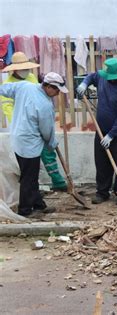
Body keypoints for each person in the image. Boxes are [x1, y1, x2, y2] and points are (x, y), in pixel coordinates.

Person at [0, 72, 68, 216]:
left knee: (30, 174)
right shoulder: (44, 105)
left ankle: (38, 204)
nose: (57, 94)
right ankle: (24, 210)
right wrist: (51, 143)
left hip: (17, 138)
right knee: (28, 178)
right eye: (56, 90)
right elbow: (46, 131)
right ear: (48, 87)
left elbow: (4, 89)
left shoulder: (25, 86)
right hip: (29, 144)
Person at [76, 58, 117, 204]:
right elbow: (91, 76)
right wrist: (84, 84)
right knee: (101, 162)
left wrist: (111, 135)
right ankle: (102, 192)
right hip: (101, 130)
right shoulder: (102, 77)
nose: (110, 80)